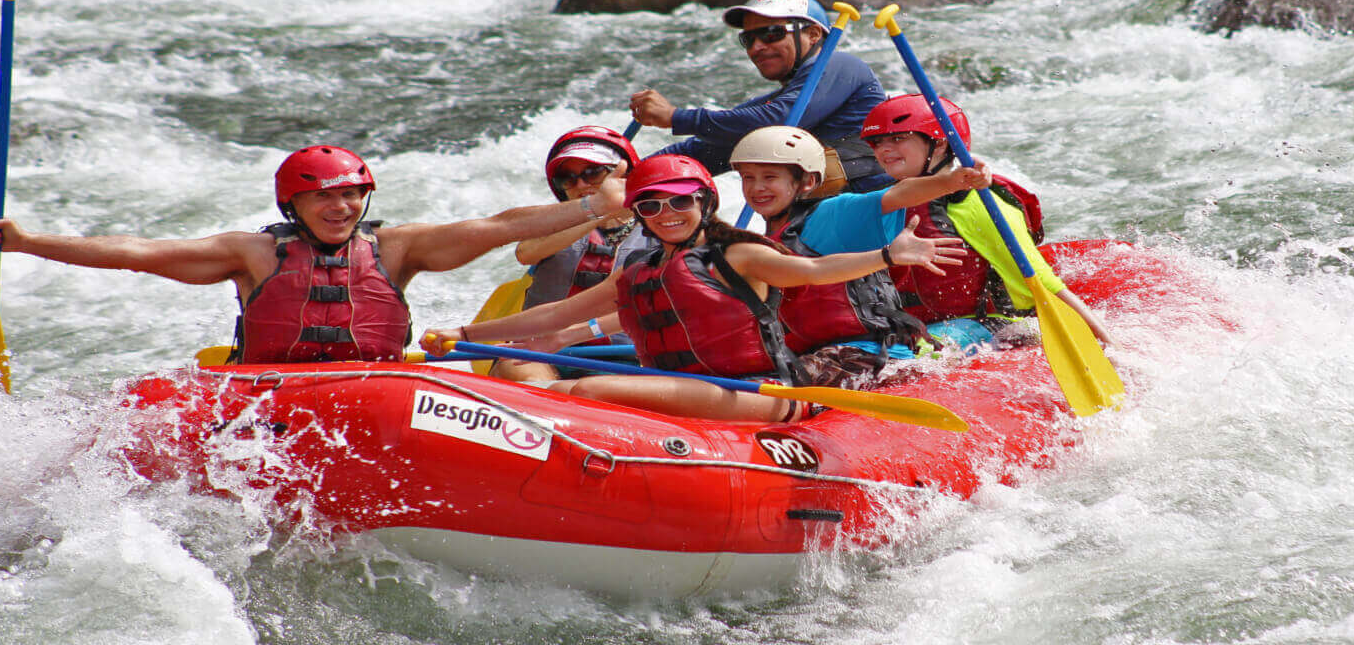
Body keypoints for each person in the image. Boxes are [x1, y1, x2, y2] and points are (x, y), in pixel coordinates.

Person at [418, 154, 966, 423]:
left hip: (765, 393)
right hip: (687, 384)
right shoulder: (637, 273)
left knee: (583, 392)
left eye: (680, 202)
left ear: (704, 203)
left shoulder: (737, 254)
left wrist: (890, 254)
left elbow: (817, 273)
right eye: (651, 206)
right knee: (538, 395)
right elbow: (552, 316)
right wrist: (464, 332)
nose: (666, 214)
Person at [0, 144, 626, 364]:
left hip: (374, 388)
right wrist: (31, 242)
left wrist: (594, 206)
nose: (340, 209)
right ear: (295, 207)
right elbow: (139, 252)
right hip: (273, 388)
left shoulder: (398, 248)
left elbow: (494, 226)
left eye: (350, 198)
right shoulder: (252, 255)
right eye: (324, 201)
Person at [798, 94, 1112, 346]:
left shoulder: (979, 203)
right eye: (878, 143)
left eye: (898, 138)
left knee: (902, 352)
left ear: (940, 143)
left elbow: (1045, 284)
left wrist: (1109, 347)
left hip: (987, 326)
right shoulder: (889, 199)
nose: (884, 150)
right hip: (914, 325)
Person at [728, 125, 997, 383]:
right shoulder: (759, 244)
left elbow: (897, 194)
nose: (757, 188)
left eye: (770, 177)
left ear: (808, 181)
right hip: (818, 355)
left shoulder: (831, 215)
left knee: (772, 383)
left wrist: (951, 181)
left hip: (870, 355)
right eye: (748, 178)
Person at [628, 0, 890, 194]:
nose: (756, 48)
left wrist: (677, 117)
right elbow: (702, 150)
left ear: (812, 34)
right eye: (748, 39)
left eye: (772, 34)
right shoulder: (773, 106)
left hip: (873, 215)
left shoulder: (841, 65)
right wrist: (631, 173)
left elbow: (782, 121)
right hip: (815, 224)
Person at [490, 126, 651, 381]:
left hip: (630, 360)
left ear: (625, 176)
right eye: (568, 178)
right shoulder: (551, 223)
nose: (581, 184)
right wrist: (600, 211)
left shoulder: (660, 223)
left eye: (594, 173)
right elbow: (526, 253)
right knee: (521, 372)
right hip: (538, 354)